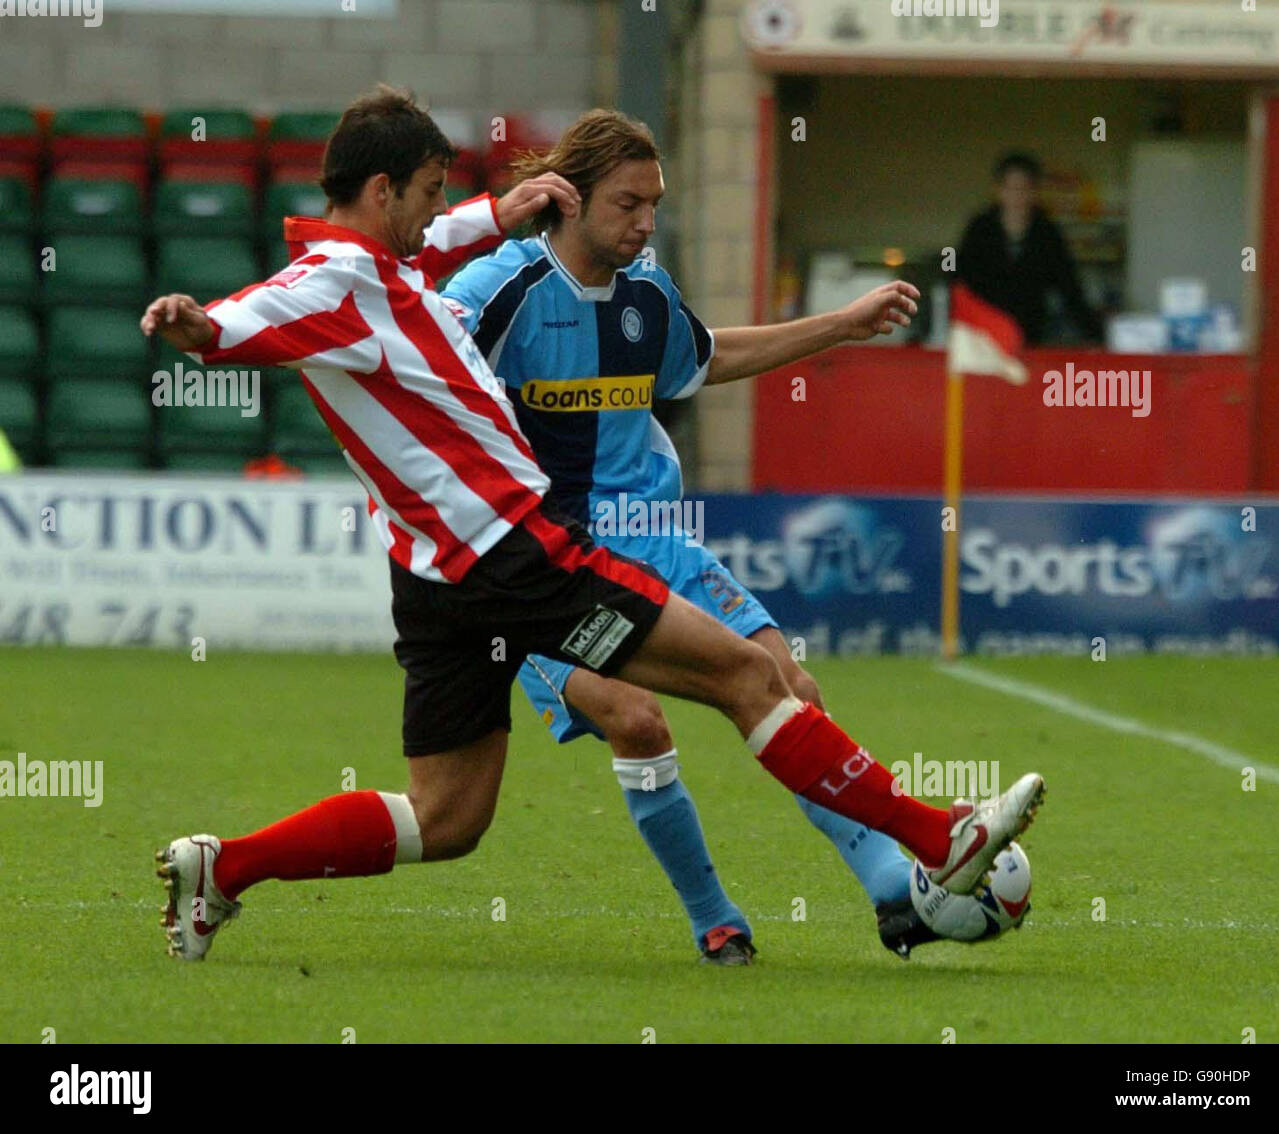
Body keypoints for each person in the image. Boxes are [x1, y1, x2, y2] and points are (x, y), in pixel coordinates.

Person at [140, 85, 1044, 963]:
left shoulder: (388, 263)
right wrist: (197, 326)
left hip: (438, 575)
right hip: (513, 552)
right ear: (383, 193)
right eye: (427, 191)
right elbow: (245, 322)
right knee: (740, 675)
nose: (439, 212)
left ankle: (224, 868)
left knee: (449, 817)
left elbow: (438, 244)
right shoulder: (340, 284)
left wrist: (499, 208)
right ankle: (938, 837)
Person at [440, 109, 945, 963]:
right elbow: (418, 371)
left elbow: (704, 359)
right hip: (546, 565)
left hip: (655, 537)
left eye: (655, 205)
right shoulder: (500, 291)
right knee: (636, 720)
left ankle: (895, 890)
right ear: (567, 199)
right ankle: (713, 913)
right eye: (629, 204)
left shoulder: (646, 292)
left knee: (792, 683)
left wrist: (840, 325)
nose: (645, 223)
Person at [957, 152, 1102, 345]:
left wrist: (1095, 335)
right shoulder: (980, 229)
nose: (1017, 196)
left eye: (1024, 188)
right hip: (983, 335)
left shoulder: (1047, 233)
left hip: (1030, 335)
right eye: (1011, 188)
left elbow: (1069, 287)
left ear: (1035, 191)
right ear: (998, 190)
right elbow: (960, 280)